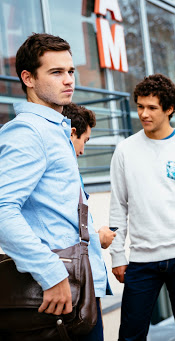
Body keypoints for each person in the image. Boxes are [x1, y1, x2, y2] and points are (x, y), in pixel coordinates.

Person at [0, 33, 107, 340]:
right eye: (56, 72)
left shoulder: (55, 128)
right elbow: (3, 210)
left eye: (70, 71)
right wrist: (51, 273)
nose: (68, 80)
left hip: (77, 284)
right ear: (28, 78)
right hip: (56, 288)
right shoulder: (27, 132)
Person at [109, 73, 175, 340]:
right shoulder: (125, 150)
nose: (143, 114)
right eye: (140, 106)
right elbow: (118, 206)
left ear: (169, 109)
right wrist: (118, 255)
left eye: (152, 108)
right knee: (130, 334)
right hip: (142, 260)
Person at [62, 103, 116, 249]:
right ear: (72, 134)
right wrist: (98, 238)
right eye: (84, 141)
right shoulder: (65, 174)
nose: (83, 151)